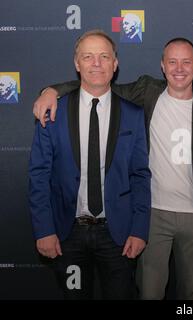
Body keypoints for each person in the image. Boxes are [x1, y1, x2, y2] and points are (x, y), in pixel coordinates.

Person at [33, 37, 193, 300]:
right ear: (162, 65)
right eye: (172, 62)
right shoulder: (144, 93)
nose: (179, 68)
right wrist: (50, 90)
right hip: (79, 229)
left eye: (186, 62)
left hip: (130, 228)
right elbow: (95, 82)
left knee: (187, 294)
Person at [28, 30, 151, 299]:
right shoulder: (53, 112)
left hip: (117, 235)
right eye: (88, 56)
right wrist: (44, 229)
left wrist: (140, 229)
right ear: (77, 63)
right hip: (67, 234)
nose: (96, 63)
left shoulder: (133, 114)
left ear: (115, 64)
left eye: (104, 56)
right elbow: (39, 175)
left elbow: (140, 175)